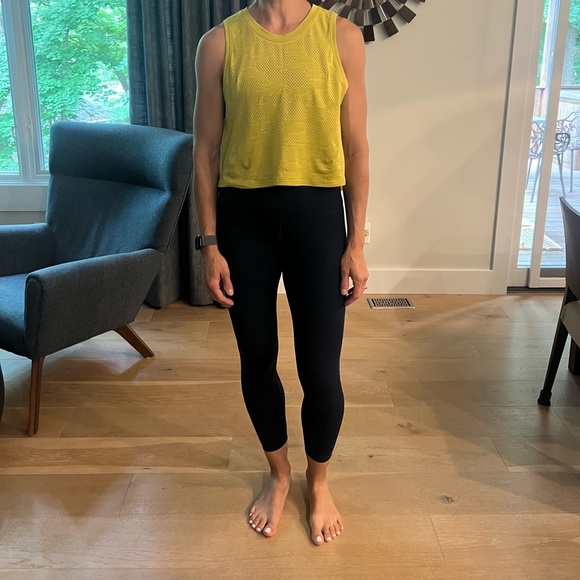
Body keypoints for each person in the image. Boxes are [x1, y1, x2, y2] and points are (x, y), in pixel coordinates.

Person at [193, 0, 369, 546]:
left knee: (320, 370)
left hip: (318, 221)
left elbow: (356, 147)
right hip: (242, 223)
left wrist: (356, 243)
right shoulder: (219, 43)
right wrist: (209, 243)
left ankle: (318, 481)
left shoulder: (341, 37)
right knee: (257, 358)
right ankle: (279, 473)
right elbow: (205, 150)